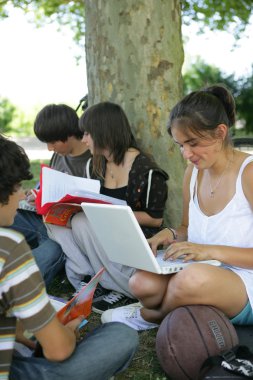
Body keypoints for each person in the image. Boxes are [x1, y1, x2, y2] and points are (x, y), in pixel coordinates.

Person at [101, 84, 253, 331]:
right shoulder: (193, 172)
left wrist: (208, 251)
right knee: (142, 283)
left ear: (220, 132)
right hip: (201, 271)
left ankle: (149, 316)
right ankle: (172, 306)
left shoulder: (249, 173)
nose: (186, 153)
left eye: (192, 143)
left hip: (244, 281)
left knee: (190, 280)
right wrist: (169, 235)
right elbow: (186, 227)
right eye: (180, 145)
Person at [0, 135, 139, 380]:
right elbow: (59, 350)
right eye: (17, 187)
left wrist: (18, 333)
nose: (22, 195)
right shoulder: (9, 248)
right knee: (121, 335)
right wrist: (69, 333)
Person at [46, 101, 169, 313]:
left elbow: (155, 219)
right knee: (54, 219)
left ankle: (118, 288)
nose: (83, 140)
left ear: (104, 133)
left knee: (83, 221)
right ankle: (87, 278)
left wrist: (112, 215)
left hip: (133, 239)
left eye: (87, 134)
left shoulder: (145, 171)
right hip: (102, 233)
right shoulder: (94, 165)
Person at [10, 104, 91, 287]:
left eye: (52, 142)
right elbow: (47, 186)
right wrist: (37, 194)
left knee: (49, 254)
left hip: (63, 234)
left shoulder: (92, 161)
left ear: (69, 134)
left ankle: (14, 286)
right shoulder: (59, 156)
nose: (49, 148)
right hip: (40, 219)